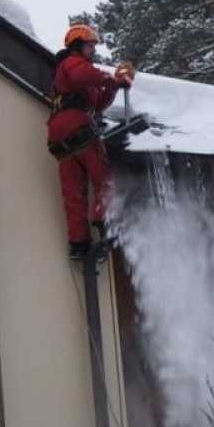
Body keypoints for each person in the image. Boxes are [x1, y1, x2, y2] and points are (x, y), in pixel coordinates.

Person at [47, 23, 135, 260]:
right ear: (77, 45)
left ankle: (79, 243)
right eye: (89, 45)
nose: (93, 50)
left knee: (74, 192)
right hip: (77, 127)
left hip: (61, 139)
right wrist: (112, 76)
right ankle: (105, 222)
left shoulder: (76, 74)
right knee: (104, 179)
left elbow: (98, 104)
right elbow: (84, 74)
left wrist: (115, 85)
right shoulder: (72, 62)